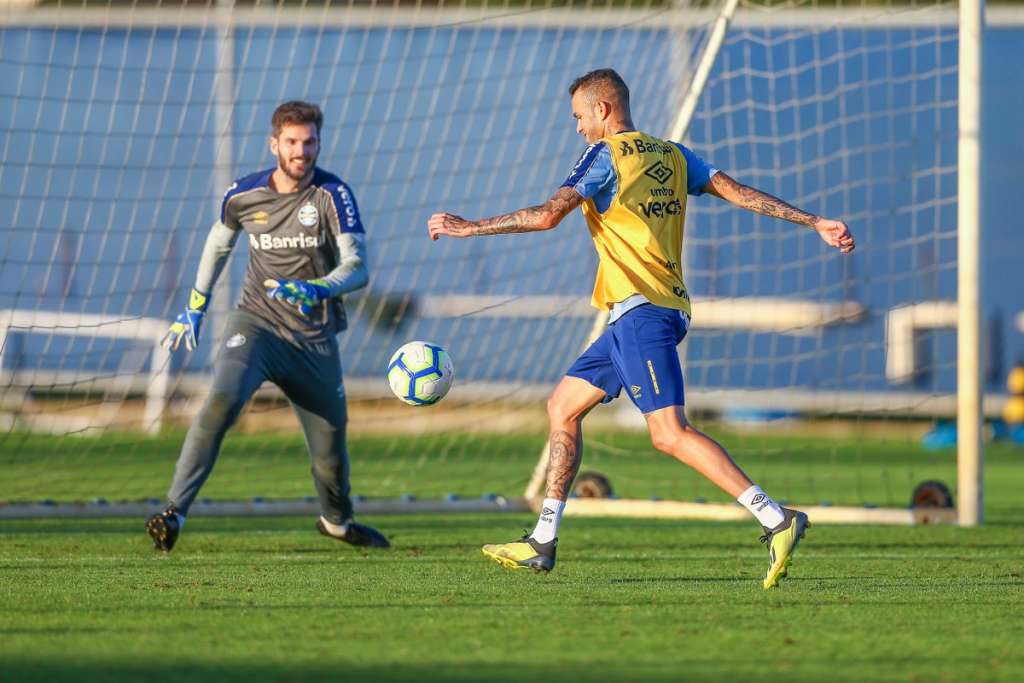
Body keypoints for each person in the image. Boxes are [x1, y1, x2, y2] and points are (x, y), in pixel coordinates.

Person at [427, 69, 854, 589]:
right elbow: (739, 192)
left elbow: (546, 216)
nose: (578, 128)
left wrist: (470, 226)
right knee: (563, 406)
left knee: (669, 433)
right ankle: (542, 539)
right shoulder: (674, 154)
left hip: (641, 313)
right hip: (652, 311)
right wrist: (814, 221)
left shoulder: (603, 155)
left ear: (602, 109)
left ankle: (775, 516)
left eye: (579, 116)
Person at [147, 100, 389, 552]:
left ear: (319, 144)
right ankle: (173, 513)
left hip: (313, 338)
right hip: (255, 324)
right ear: (274, 144)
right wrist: (196, 305)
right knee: (221, 399)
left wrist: (317, 288)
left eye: (309, 142)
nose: (301, 151)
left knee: (330, 450)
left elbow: (358, 268)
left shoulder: (333, 195)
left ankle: (337, 523)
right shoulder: (243, 194)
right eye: (292, 142)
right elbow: (218, 245)